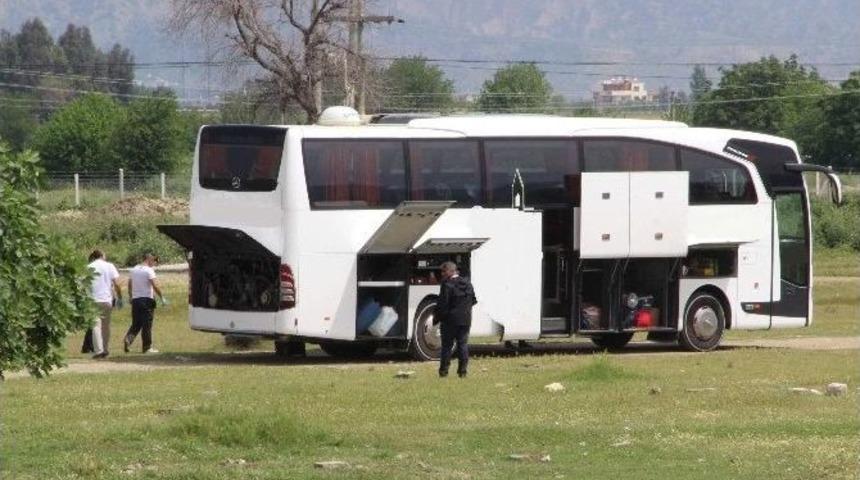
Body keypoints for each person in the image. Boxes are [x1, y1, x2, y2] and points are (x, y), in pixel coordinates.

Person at [434, 261, 477, 378]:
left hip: (450, 321)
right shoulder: (468, 284)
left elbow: (443, 304)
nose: (442, 274)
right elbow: (473, 300)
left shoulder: (447, 285)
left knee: (447, 346)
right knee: (462, 345)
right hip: (465, 320)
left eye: (444, 271)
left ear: (451, 271)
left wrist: (438, 317)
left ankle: (443, 372)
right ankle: (462, 372)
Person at [124, 253, 167, 354]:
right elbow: (155, 285)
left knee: (136, 323)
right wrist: (162, 297)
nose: (154, 264)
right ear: (149, 259)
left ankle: (128, 339)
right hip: (146, 300)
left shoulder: (134, 269)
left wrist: (130, 296)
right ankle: (147, 347)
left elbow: (129, 284)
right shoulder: (149, 270)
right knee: (147, 324)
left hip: (136, 300)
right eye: (154, 261)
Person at [85, 250, 123, 359]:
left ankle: (99, 350)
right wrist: (119, 297)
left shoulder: (89, 267)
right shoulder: (109, 266)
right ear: (102, 256)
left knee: (96, 326)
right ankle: (105, 349)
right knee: (106, 326)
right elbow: (117, 283)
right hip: (107, 299)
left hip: (93, 299)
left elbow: (84, 284)